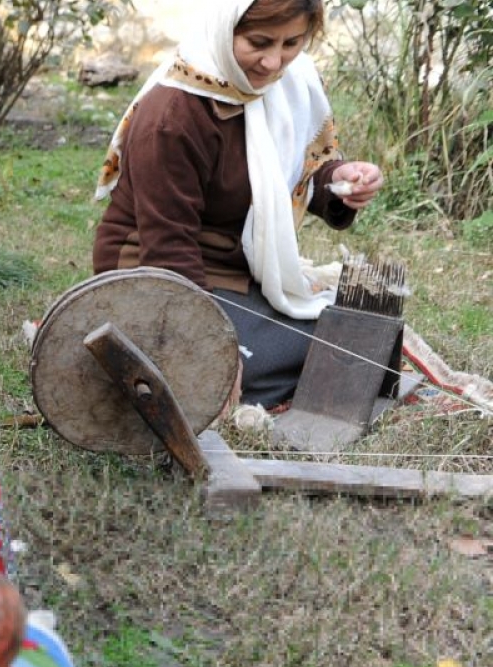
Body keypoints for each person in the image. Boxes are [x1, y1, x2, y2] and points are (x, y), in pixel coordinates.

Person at [92, 0, 383, 409]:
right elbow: (169, 248)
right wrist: (209, 343)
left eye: (292, 42)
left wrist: (338, 180)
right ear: (223, 28)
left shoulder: (291, 82)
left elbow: (299, 173)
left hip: (234, 269)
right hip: (155, 271)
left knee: (358, 337)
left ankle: (216, 378)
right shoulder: (173, 115)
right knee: (325, 351)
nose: (273, 61)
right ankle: (187, 381)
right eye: (259, 42)